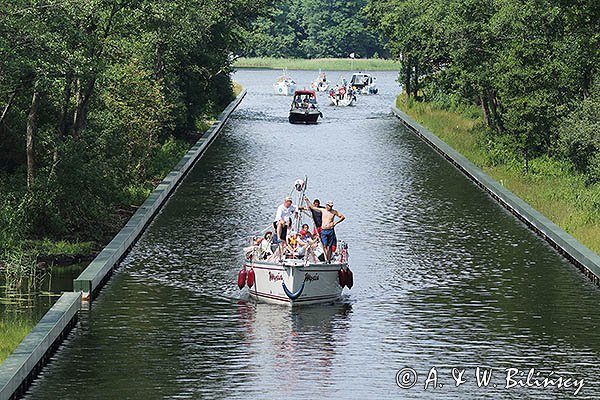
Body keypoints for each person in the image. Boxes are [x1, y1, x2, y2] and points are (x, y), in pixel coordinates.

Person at [305, 197, 345, 263]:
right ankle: (326, 259)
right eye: (329, 206)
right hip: (324, 230)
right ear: (326, 205)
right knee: (324, 245)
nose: (330, 207)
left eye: (331, 206)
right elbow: (312, 207)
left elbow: (342, 217)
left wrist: (335, 223)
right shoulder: (323, 210)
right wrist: (307, 200)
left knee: (329, 246)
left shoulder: (334, 212)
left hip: (330, 230)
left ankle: (328, 259)